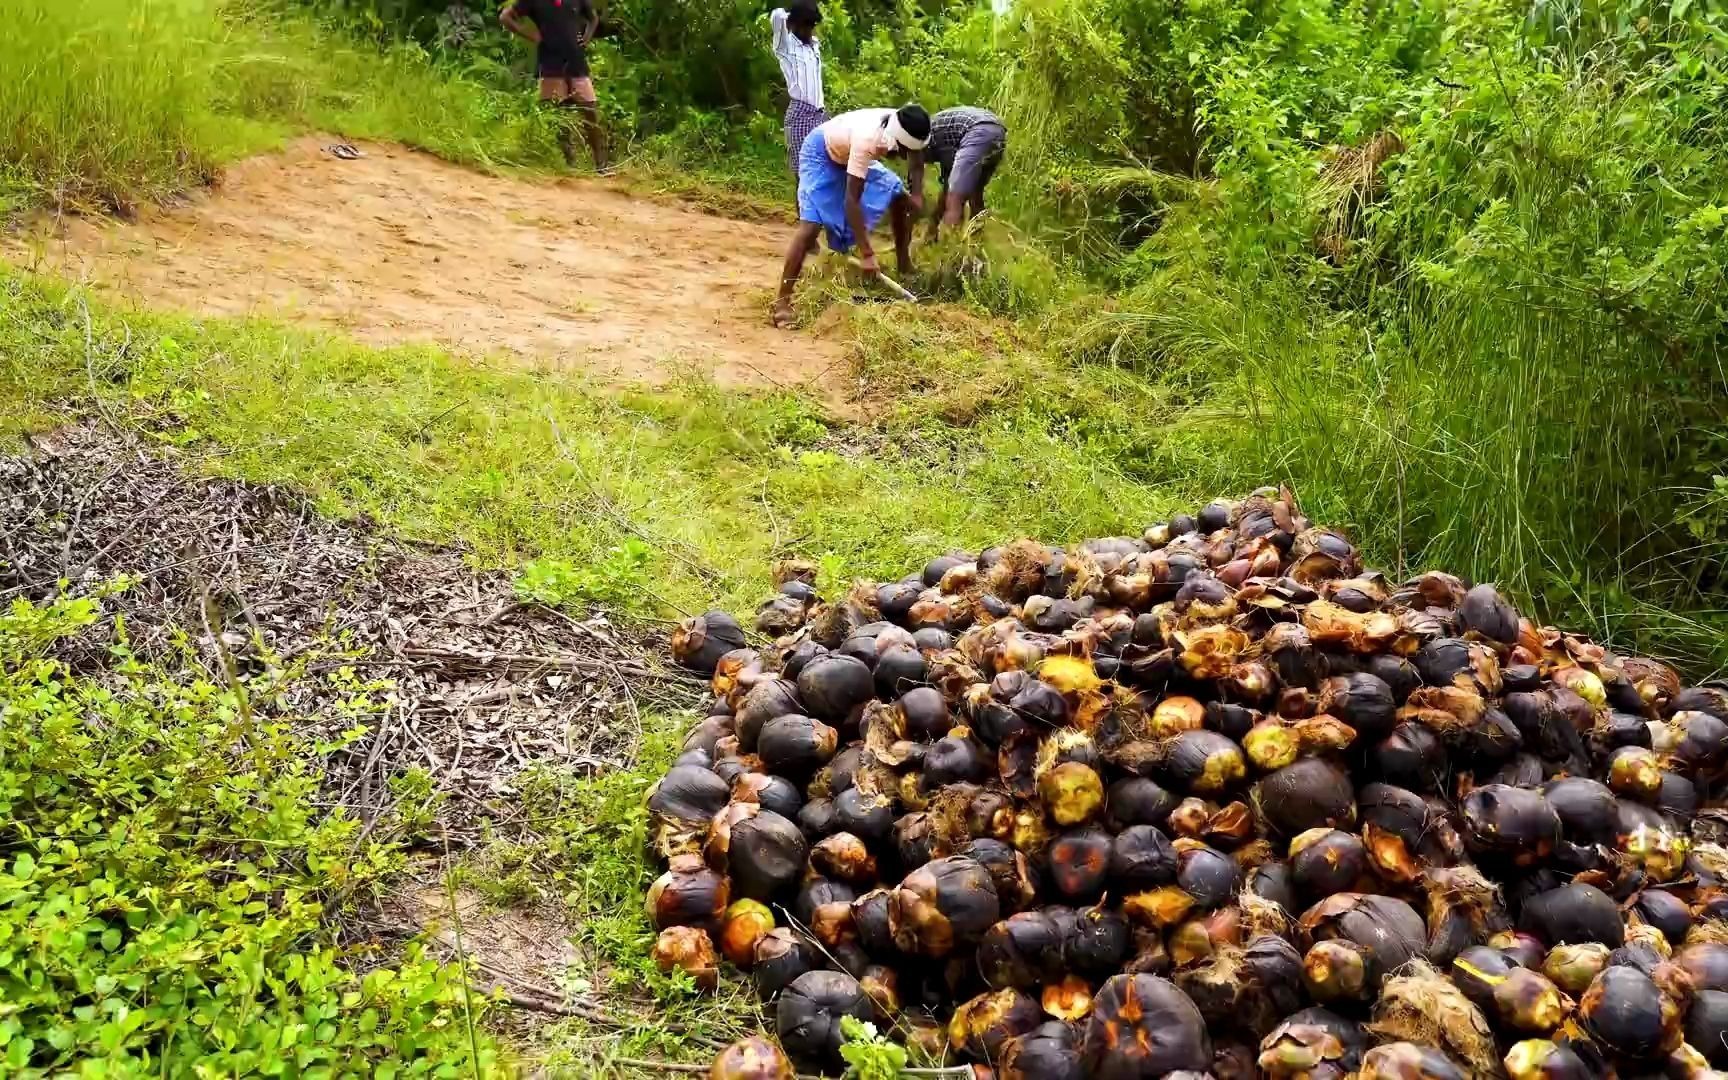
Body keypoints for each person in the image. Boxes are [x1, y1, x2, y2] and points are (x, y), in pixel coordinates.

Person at [772, 105, 930, 329]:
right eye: (905, 151)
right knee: (810, 227)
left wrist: (916, 195)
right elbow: (851, 201)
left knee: (898, 195)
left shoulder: (910, 124)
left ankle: (904, 264)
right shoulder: (868, 140)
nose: (906, 157)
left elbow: (917, 159)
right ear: (897, 141)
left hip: (846, 154)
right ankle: (782, 302)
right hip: (821, 153)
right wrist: (867, 254)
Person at [502, 0, 609, 173]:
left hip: (576, 61)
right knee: (559, 115)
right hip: (551, 62)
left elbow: (593, 18)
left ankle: (602, 166)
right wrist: (531, 35)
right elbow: (505, 17)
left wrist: (586, 38)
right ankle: (569, 165)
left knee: (590, 111)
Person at [921, 106, 1007, 238]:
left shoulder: (931, 138)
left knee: (955, 199)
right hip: (997, 130)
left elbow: (950, 190)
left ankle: (950, 249)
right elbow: (948, 184)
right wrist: (932, 228)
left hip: (977, 130)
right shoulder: (938, 136)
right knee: (975, 194)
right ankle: (976, 240)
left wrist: (931, 228)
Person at [770, 3, 827, 193]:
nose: (808, 30)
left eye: (811, 25)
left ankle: (820, 217)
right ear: (793, 25)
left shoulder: (814, 46)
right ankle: (805, 220)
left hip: (820, 113)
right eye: (804, 25)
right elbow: (777, 16)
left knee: (826, 167)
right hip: (800, 113)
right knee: (803, 172)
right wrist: (794, 14)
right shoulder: (785, 46)